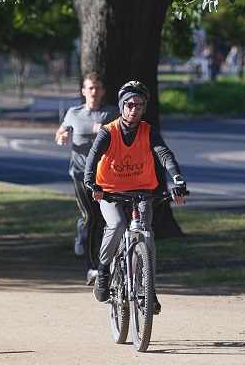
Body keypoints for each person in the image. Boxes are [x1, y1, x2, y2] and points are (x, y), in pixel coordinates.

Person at [83, 80, 187, 314]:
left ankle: (149, 290)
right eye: (130, 104)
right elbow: (92, 158)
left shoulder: (148, 132)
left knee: (146, 232)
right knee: (118, 224)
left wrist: (177, 180)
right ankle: (103, 272)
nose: (134, 109)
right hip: (109, 191)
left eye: (139, 105)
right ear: (122, 106)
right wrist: (91, 183)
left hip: (141, 190)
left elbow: (164, 154)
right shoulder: (109, 132)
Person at [55, 72, 118, 285]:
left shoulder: (111, 113)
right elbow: (61, 131)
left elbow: (123, 137)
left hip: (107, 176)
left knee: (102, 220)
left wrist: (107, 132)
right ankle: (92, 269)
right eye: (90, 88)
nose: (93, 92)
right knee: (92, 220)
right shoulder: (74, 113)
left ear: (102, 91)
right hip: (81, 174)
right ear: (84, 91)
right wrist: (62, 136)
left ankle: (84, 231)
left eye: (97, 88)